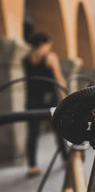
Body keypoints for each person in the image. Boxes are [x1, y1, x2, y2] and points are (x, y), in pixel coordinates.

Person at [23, 33, 68, 177]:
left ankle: (32, 166)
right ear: (44, 43)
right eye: (49, 44)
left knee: (33, 133)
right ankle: (66, 159)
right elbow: (59, 78)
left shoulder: (26, 59)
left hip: (32, 100)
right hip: (49, 100)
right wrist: (66, 96)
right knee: (59, 129)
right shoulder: (50, 57)